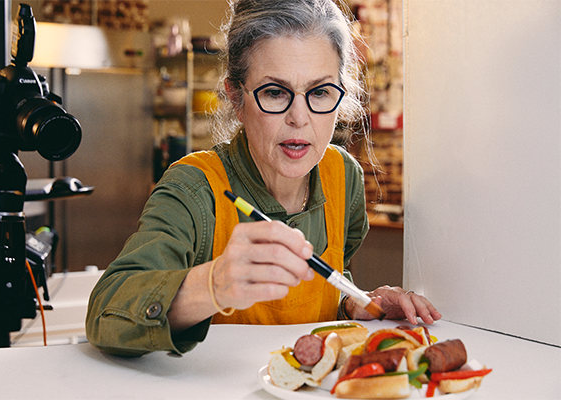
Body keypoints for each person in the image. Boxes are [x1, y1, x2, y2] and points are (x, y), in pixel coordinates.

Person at [86, 0, 441, 357]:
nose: (299, 117)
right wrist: (214, 283)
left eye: (319, 92)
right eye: (275, 92)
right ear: (236, 97)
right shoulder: (195, 187)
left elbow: (329, 283)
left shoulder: (343, 177)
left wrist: (354, 304)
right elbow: (105, 314)